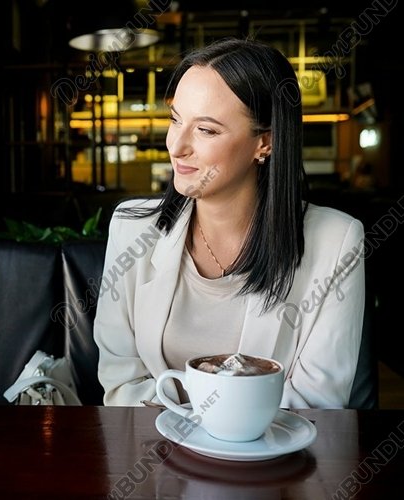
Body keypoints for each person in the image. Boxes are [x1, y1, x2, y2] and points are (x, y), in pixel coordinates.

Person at [93, 38, 365, 409]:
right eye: (175, 120)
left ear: (264, 143)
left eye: (206, 130)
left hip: (268, 462)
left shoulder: (337, 243)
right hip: (156, 455)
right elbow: (122, 383)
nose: (176, 146)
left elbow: (316, 404)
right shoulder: (131, 230)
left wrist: (209, 430)